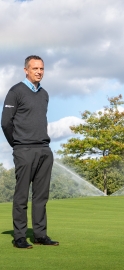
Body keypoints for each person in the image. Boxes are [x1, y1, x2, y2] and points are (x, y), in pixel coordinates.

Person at [1, 55, 59, 249]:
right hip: (23, 149)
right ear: (26, 70)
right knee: (22, 196)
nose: (39, 72)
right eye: (35, 68)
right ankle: (19, 237)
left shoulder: (45, 94)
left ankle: (40, 235)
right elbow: (5, 123)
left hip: (44, 149)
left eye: (41, 69)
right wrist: (17, 144)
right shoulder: (15, 91)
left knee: (41, 196)